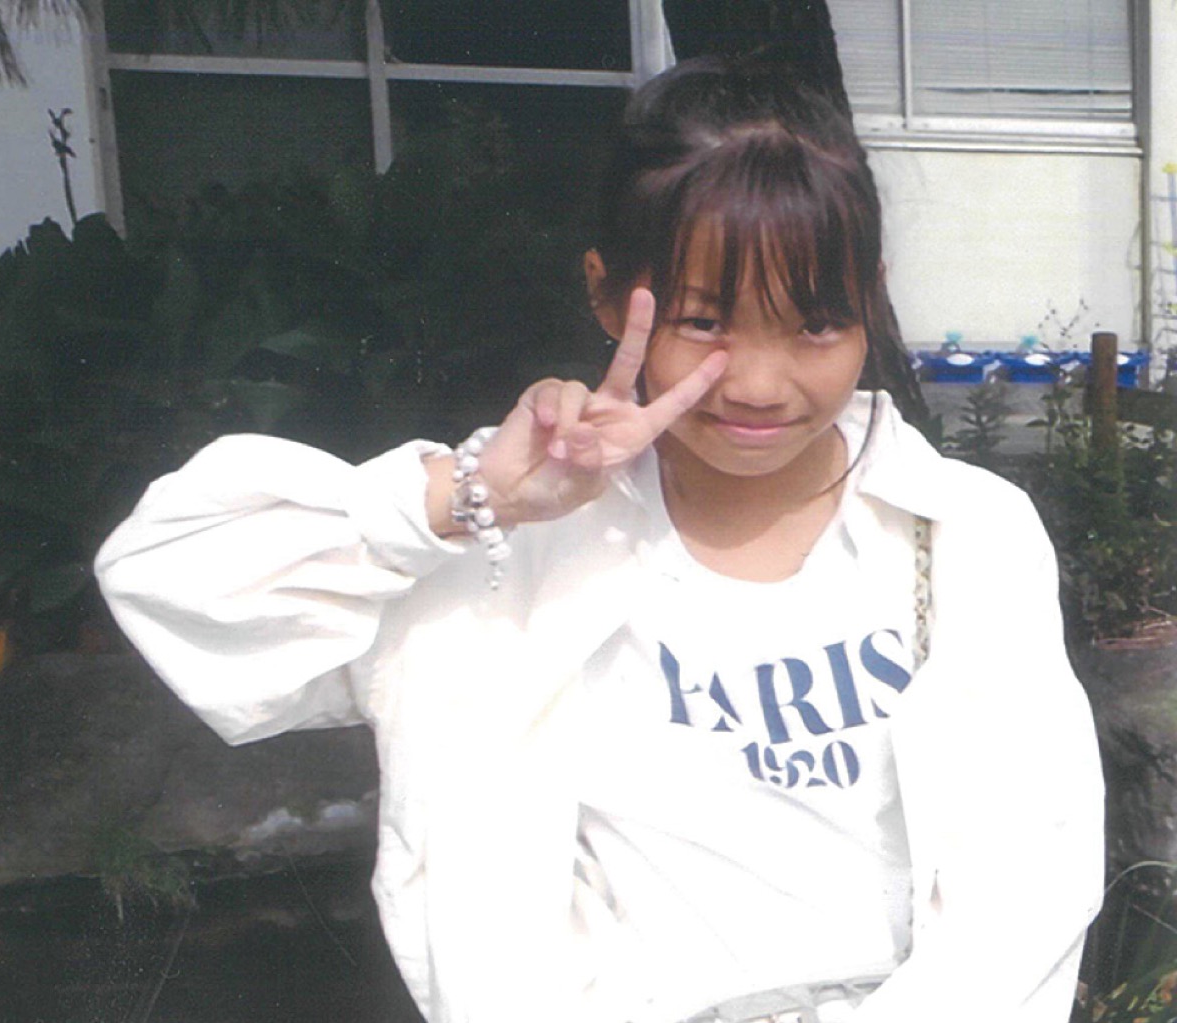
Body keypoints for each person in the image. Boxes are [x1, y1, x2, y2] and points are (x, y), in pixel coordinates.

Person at [95, 53, 1104, 1023]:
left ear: (870, 298)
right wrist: (470, 496)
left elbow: (1031, 883)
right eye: (704, 322)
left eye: (815, 324)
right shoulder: (510, 548)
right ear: (606, 293)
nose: (759, 383)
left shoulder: (964, 535)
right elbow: (166, 581)